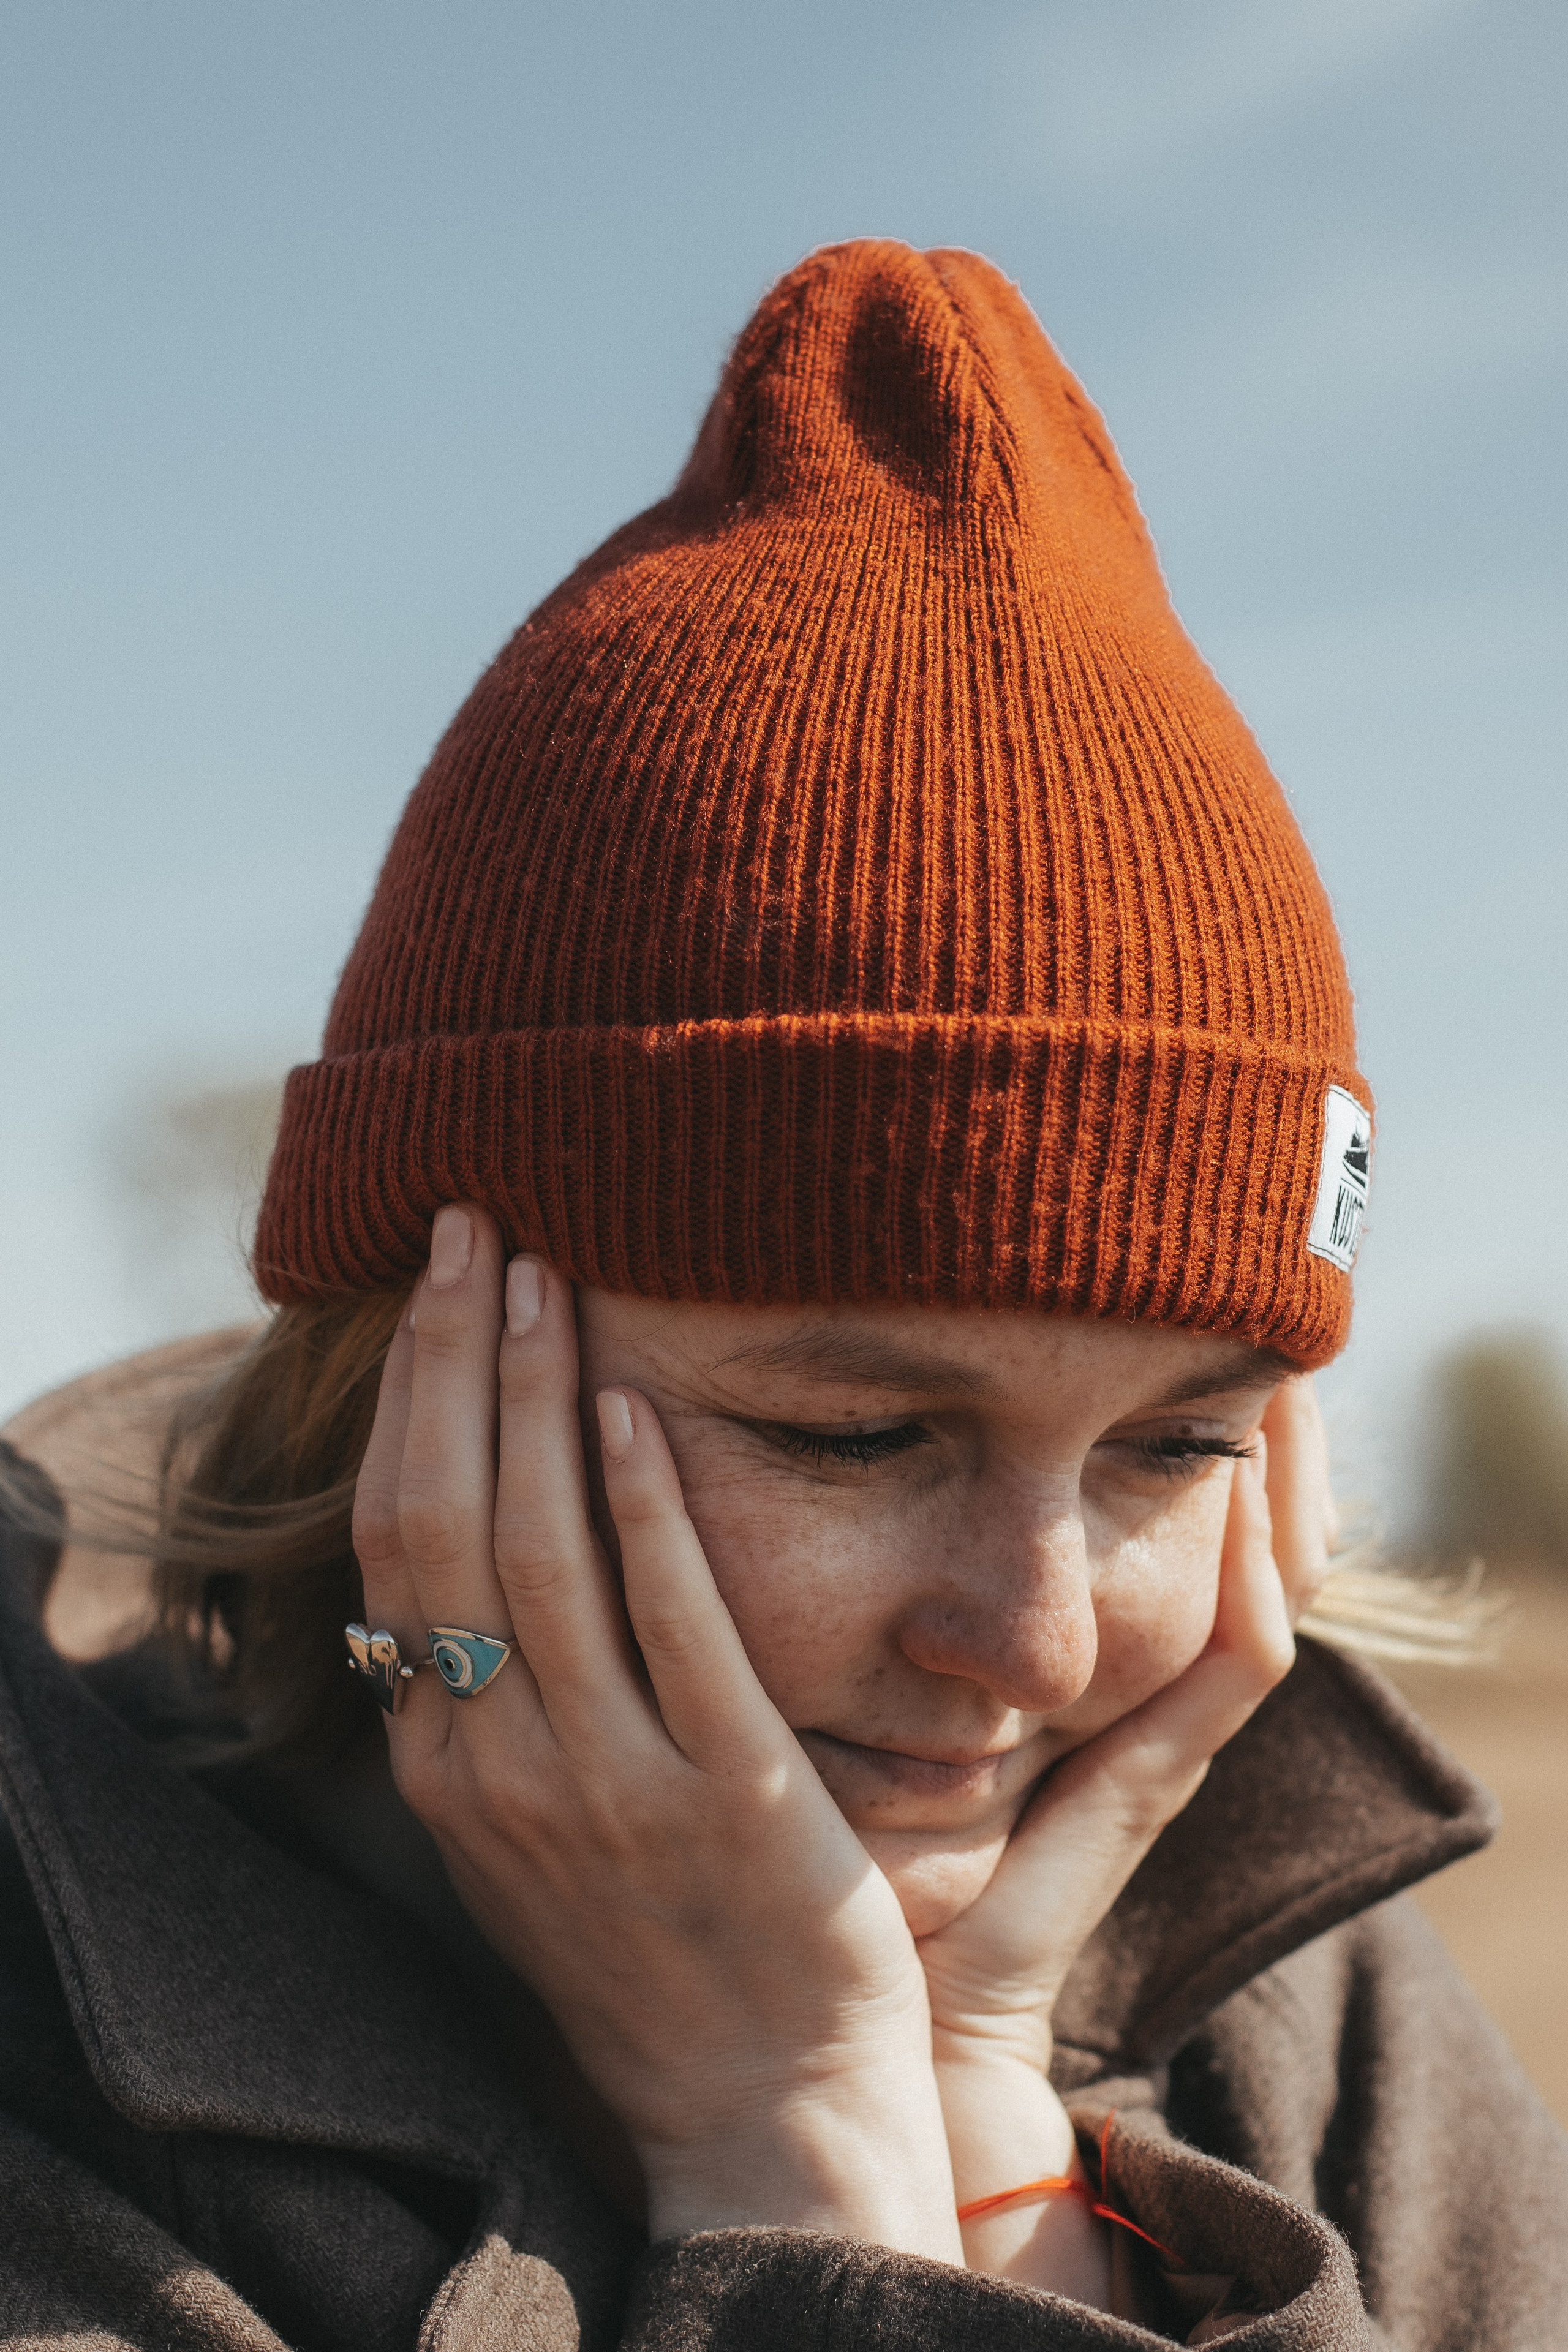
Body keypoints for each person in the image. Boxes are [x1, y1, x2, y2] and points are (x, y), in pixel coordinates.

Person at [1, 238, 1562, 2350]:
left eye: (1177, 1442)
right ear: (410, 1388)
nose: (1026, 1640)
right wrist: (800, 2155)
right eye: (855, 1431)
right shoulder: (56, 2056)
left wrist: (990, 2109)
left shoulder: (1308, 2013)